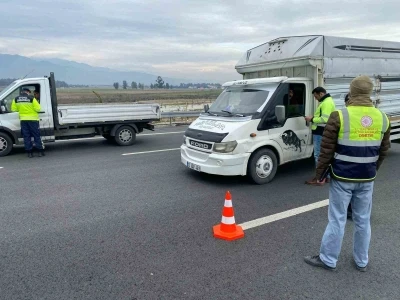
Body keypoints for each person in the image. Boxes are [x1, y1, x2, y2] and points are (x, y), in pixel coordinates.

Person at [304, 75, 391, 272]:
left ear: (351, 92)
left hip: (342, 177)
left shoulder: (339, 115)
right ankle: (361, 261)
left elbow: (326, 149)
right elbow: (383, 150)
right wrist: (372, 169)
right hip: (367, 177)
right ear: (369, 93)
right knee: (362, 220)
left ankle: (328, 259)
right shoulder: (383, 118)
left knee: (337, 218)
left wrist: (320, 174)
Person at [305, 87, 336, 185]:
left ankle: (319, 178)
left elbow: (324, 119)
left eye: (316, 96)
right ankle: (325, 177)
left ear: (321, 94)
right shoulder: (328, 101)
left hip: (320, 132)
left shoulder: (326, 103)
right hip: (323, 131)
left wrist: (312, 119)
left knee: (318, 155)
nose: (315, 98)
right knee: (324, 155)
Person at [11, 87, 45, 158]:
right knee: (36, 136)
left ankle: (29, 153)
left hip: (23, 120)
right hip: (33, 120)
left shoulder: (16, 99)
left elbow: (13, 109)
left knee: (26, 136)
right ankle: (40, 152)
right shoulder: (32, 98)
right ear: (28, 92)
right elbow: (38, 109)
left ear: (22, 92)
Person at [344, 93, 352, 219]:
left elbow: (328, 147)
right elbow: (382, 149)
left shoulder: (342, 115)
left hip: (345, 166)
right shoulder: (377, 115)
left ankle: (349, 211)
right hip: (367, 168)